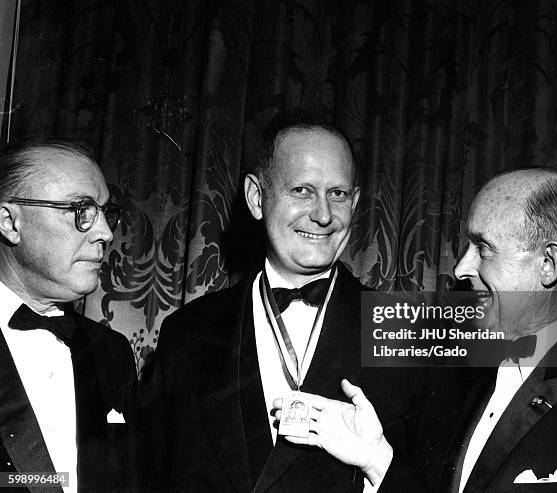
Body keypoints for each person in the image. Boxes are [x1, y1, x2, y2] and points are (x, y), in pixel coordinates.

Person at [275, 168, 557, 492]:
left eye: (483, 248)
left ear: (548, 264)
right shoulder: (464, 373)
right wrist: (376, 457)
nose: (462, 267)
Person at [140, 115, 418, 492]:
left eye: (337, 194)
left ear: (354, 202)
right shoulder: (187, 333)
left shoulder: (406, 332)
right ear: (257, 198)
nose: (322, 215)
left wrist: (378, 463)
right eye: (302, 190)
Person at [0, 140, 136, 492]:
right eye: (80, 210)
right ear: (9, 222)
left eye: (106, 212)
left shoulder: (112, 352)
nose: (105, 233)